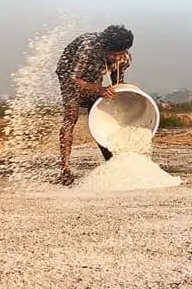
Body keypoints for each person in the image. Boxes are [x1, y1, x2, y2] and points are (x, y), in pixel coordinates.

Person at [55, 24, 133, 185]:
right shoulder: (87, 50)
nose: (119, 57)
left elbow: (117, 81)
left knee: (100, 114)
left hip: (93, 74)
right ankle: (65, 169)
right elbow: (74, 79)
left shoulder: (123, 56)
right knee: (71, 116)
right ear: (105, 49)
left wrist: (119, 94)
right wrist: (99, 89)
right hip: (70, 74)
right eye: (115, 54)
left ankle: (113, 162)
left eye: (122, 53)